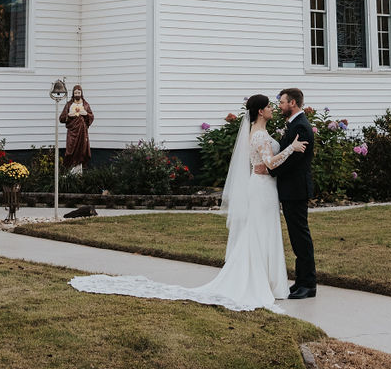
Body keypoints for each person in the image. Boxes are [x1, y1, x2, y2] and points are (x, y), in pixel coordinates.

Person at [70, 94, 307, 311]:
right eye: (268, 106)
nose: (272, 109)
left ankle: (266, 280)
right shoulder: (259, 135)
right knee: (260, 233)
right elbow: (271, 163)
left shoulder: (256, 132)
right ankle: (259, 281)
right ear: (259, 112)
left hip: (262, 187)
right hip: (262, 188)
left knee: (261, 232)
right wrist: (291, 149)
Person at [274, 87, 317, 298]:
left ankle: (308, 284)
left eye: (282, 102)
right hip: (291, 189)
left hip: (296, 189)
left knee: (301, 237)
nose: (279, 106)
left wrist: (270, 169)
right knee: (296, 236)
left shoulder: (301, 127)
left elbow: (292, 161)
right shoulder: (294, 125)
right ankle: (301, 281)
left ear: (292, 103)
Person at [60, 85, 94, 172]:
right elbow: (61, 118)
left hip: (82, 133)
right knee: (70, 150)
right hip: (72, 132)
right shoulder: (69, 105)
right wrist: (68, 115)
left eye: (79, 92)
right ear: (73, 94)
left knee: (81, 151)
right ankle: (70, 171)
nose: (77, 94)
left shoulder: (85, 105)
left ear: (81, 93)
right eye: (75, 93)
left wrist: (86, 114)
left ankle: (79, 172)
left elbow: (91, 117)